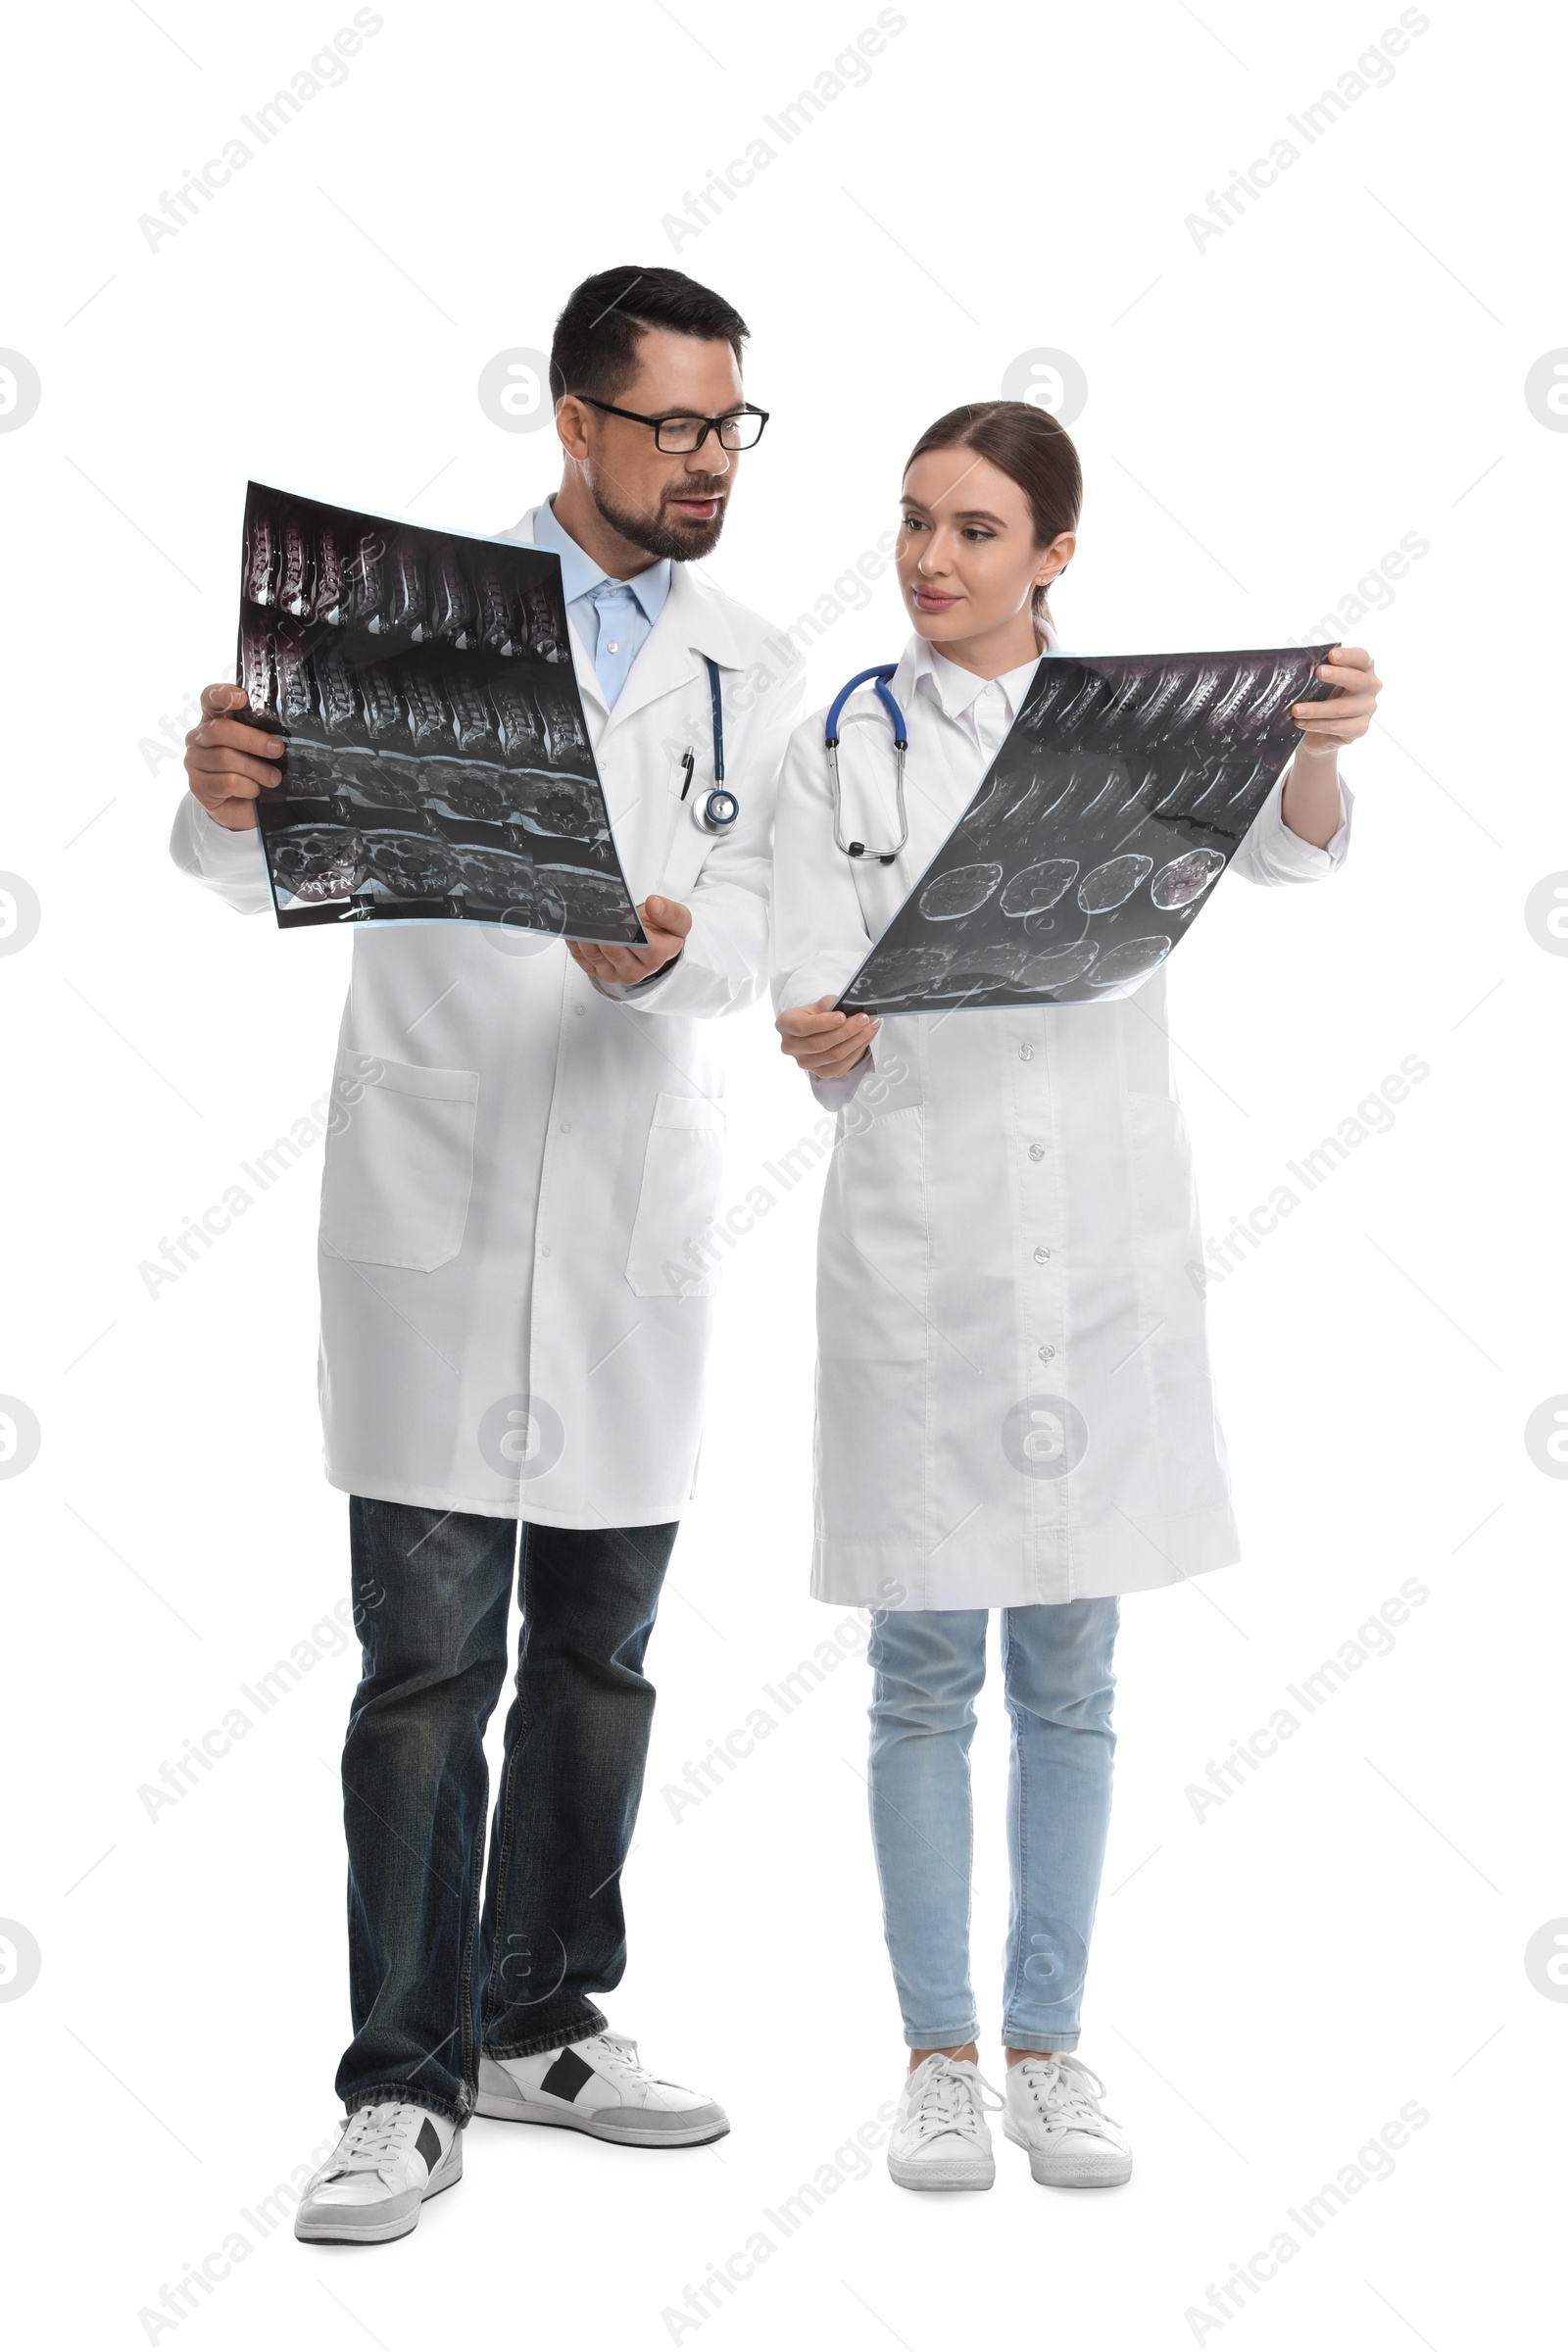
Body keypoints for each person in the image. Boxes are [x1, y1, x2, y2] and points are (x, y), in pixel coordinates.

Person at [173, 266, 803, 2243]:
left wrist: (682, 962)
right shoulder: (400, 629)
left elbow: (790, 932)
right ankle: (399, 2080)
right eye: (677, 426)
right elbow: (247, 864)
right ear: (574, 423)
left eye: (731, 427)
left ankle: (544, 2019)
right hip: (432, 1224)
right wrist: (219, 799)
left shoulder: (752, 662)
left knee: (599, 1661)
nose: (710, 462)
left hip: (629, 1219)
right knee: (425, 1670)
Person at [770, 400, 1380, 2191]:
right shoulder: (843, 746)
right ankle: (937, 2057)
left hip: (1094, 1253)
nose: (930, 561)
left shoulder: (1134, 737)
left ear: (1054, 555)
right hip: (921, 1252)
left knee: (1074, 1667)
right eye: (911, 523)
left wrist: (1325, 746)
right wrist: (825, 1031)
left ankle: (1052, 2048)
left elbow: (1293, 851)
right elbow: (808, 988)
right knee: (919, 1667)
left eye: (972, 530)